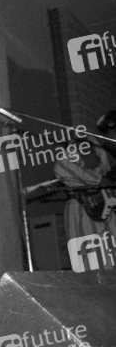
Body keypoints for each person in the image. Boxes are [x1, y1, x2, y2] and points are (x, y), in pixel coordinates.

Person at [54, 109, 116, 262]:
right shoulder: (82, 144)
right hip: (85, 211)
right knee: (93, 265)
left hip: (109, 214)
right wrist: (99, 181)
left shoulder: (105, 153)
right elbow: (62, 167)